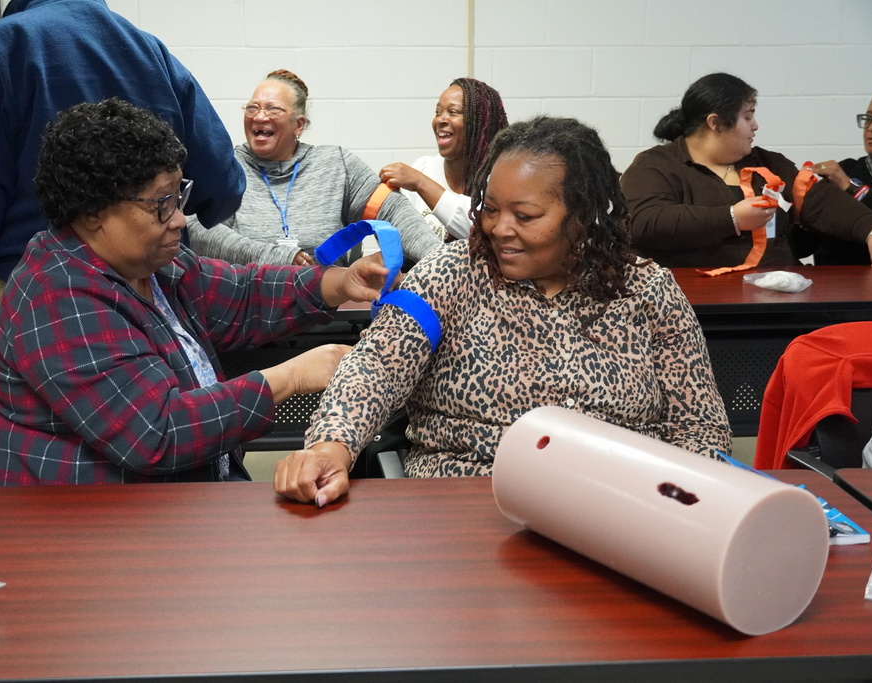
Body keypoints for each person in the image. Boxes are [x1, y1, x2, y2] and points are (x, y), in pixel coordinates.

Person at [274, 115, 732, 507]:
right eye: (490, 210)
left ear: (584, 214)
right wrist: (331, 447)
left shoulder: (648, 290)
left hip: (618, 509)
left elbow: (700, 430)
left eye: (526, 216)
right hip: (469, 502)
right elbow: (376, 368)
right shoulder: (450, 275)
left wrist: (682, 506)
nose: (499, 230)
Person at [0, 98, 390, 486]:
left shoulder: (150, 266)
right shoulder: (59, 297)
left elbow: (242, 296)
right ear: (92, 212)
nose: (179, 220)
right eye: (161, 204)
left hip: (172, 505)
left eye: (178, 197)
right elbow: (159, 433)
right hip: (79, 527)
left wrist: (336, 282)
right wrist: (290, 376)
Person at [0, 0, 245, 341]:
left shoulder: (2, 47)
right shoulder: (151, 53)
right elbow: (223, 188)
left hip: (32, 301)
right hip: (149, 296)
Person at [620, 73, 872, 269]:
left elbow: (818, 199)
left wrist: (871, 230)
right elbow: (646, 221)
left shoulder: (770, 164)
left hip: (775, 297)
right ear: (715, 123)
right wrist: (732, 218)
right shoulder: (654, 166)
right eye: (748, 116)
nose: (755, 126)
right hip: (694, 306)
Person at [188, 69, 441, 268]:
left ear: (298, 125)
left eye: (272, 109)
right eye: (253, 107)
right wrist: (277, 256)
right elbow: (199, 232)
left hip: (325, 308)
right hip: (248, 309)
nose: (259, 116)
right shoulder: (226, 166)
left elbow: (393, 210)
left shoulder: (335, 164)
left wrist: (440, 260)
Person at [378, 77, 508, 240]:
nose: (440, 120)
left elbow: (480, 230)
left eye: (453, 112)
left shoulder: (499, 178)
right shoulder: (423, 168)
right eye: (438, 112)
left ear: (481, 124)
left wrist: (421, 183)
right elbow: (399, 233)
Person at [808, 92, 872, 264]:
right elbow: (803, 246)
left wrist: (849, 187)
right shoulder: (848, 169)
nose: (871, 127)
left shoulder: (843, 178)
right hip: (842, 283)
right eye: (868, 118)